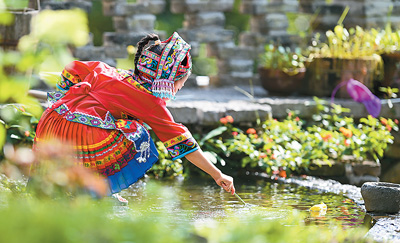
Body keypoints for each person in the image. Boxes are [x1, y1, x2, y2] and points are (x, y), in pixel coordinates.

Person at [33, 32, 235, 203]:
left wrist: (63, 98)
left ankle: (74, 190)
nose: (181, 87)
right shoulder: (150, 102)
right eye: (182, 81)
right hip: (80, 131)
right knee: (136, 132)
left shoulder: (113, 73)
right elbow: (181, 140)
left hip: (51, 120)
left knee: (111, 126)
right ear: (168, 80)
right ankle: (98, 192)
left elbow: (71, 69)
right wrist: (218, 174)